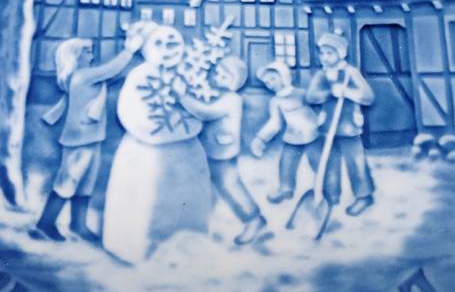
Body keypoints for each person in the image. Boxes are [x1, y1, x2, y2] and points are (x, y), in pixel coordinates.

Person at [101, 25, 215, 264]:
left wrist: (188, 119)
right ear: (146, 48)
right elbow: (132, 111)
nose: (167, 49)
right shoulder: (141, 76)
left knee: (186, 199)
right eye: (159, 44)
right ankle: (139, 249)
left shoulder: (188, 74)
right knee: (146, 199)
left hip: (186, 151)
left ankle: (189, 244)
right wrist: (155, 129)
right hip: (146, 152)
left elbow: (201, 108)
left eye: (173, 43)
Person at [33, 25, 147, 242]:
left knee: (85, 183)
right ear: (75, 56)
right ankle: (45, 223)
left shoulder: (89, 77)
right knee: (69, 180)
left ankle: (78, 224)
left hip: (93, 136)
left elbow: (114, 75)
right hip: (79, 139)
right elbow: (111, 70)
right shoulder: (82, 76)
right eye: (87, 51)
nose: (91, 55)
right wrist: (129, 50)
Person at [178, 56, 268, 246]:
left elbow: (205, 112)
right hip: (211, 147)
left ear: (235, 83)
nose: (218, 77)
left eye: (225, 77)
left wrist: (183, 97)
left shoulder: (232, 99)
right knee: (209, 180)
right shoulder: (217, 93)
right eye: (218, 73)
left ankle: (253, 218)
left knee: (229, 183)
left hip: (222, 150)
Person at [305, 29, 376, 216]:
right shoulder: (321, 75)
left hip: (349, 126)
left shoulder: (350, 73)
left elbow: (368, 97)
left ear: (341, 53)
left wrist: (347, 92)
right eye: (322, 53)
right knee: (329, 161)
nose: (324, 57)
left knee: (355, 162)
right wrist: (329, 93)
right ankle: (331, 195)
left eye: (329, 53)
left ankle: (364, 196)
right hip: (327, 125)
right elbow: (311, 97)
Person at [250, 59, 319, 202]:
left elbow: (318, 106)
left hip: (313, 134)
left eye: (273, 79)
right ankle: (286, 189)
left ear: (284, 76)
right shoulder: (276, 101)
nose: (270, 83)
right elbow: (274, 123)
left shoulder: (301, 94)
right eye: (267, 82)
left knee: (319, 162)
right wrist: (261, 139)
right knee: (286, 163)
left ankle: (329, 190)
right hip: (293, 136)